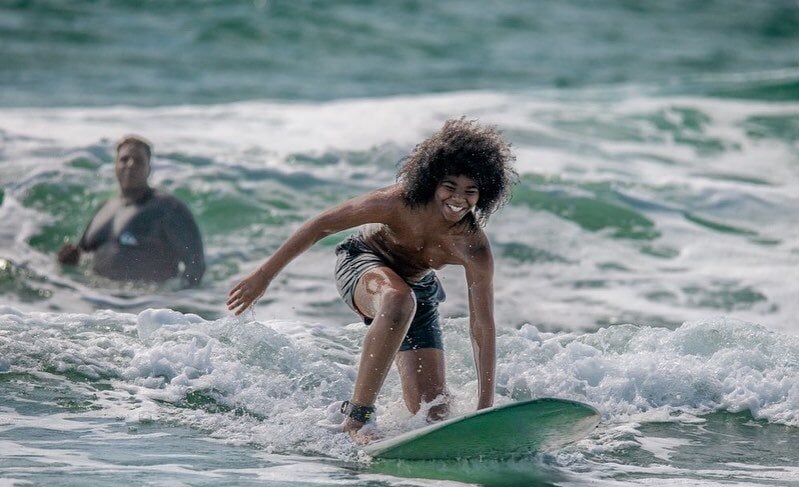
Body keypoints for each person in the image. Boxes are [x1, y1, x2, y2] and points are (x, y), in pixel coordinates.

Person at [227, 118, 517, 444]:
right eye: (450, 186)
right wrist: (264, 276)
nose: (458, 199)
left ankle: (386, 427)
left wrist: (485, 409)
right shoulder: (396, 202)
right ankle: (357, 418)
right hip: (362, 262)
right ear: (431, 180)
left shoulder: (473, 247)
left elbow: (482, 326)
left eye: (470, 191)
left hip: (417, 288)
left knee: (433, 413)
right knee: (397, 298)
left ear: (484, 194)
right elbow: (320, 225)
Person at [57, 135, 205, 287]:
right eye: (124, 159)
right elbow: (81, 255)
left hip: (145, 305)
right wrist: (69, 259)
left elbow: (196, 265)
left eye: (139, 161)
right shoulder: (103, 209)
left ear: (149, 169)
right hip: (99, 301)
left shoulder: (168, 208)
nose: (130, 164)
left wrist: (176, 303)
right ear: (115, 166)